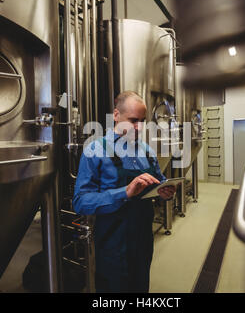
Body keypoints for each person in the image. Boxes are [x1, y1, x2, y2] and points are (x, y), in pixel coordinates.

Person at [73, 91, 176, 293]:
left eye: (143, 121)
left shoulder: (146, 151)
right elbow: (80, 201)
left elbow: (159, 183)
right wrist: (124, 192)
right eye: (133, 120)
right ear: (116, 115)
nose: (138, 127)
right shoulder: (95, 150)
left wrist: (166, 191)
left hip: (143, 239)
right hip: (113, 243)